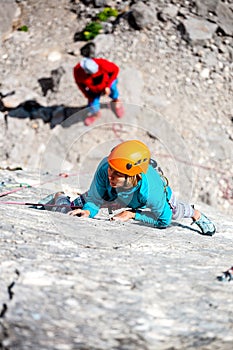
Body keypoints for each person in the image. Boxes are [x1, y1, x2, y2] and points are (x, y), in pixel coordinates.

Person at [66, 140, 216, 236]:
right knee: (94, 197)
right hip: (119, 194)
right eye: (111, 169)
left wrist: (132, 214)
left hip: (143, 196)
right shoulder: (106, 168)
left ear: (133, 176)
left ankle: (195, 213)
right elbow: (94, 198)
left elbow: (164, 221)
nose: (110, 175)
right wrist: (88, 211)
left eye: (117, 173)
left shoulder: (152, 192)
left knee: (174, 212)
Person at [73, 57, 124, 126]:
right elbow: (79, 84)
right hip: (93, 90)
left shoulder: (102, 64)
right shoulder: (78, 71)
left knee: (113, 89)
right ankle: (96, 114)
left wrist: (108, 86)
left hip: (106, 84)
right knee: (93, 105)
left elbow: (115, 70)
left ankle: (116, 101)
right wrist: (87, 95)